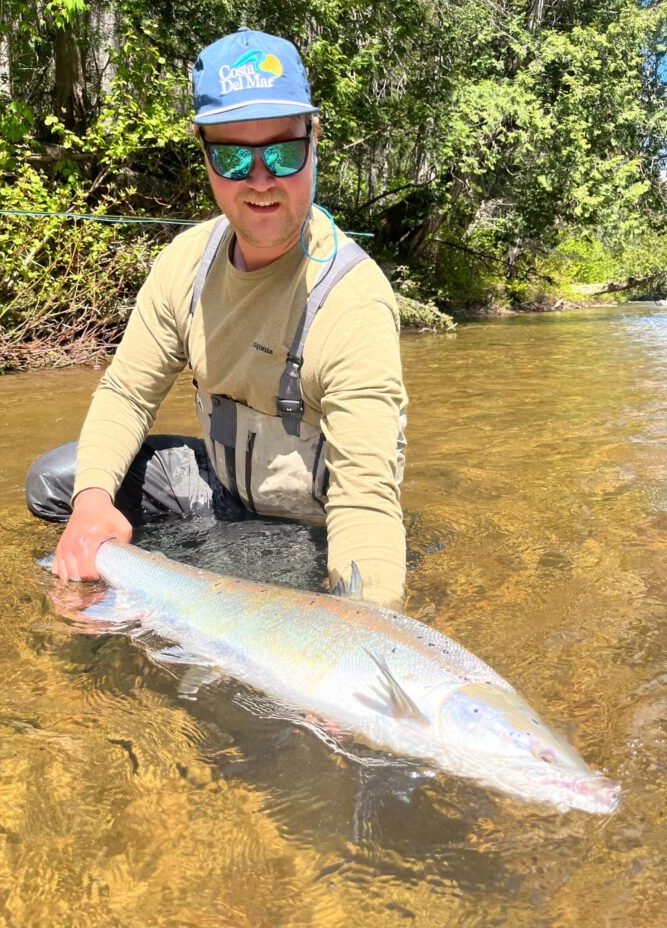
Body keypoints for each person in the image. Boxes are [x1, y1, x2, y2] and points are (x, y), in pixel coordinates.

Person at [26, 28, 407, 608]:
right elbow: (127, 392)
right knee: (58, 484)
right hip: (220, 490)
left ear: (314, 140)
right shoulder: (186, 263)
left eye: (281, 152)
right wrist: (93, 504)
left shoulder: (353, 302)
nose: (260, 181)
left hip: (306, 528)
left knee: (274, 597)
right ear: (204, 154)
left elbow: (366, 501)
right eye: (233, 157)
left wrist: (364, 629)